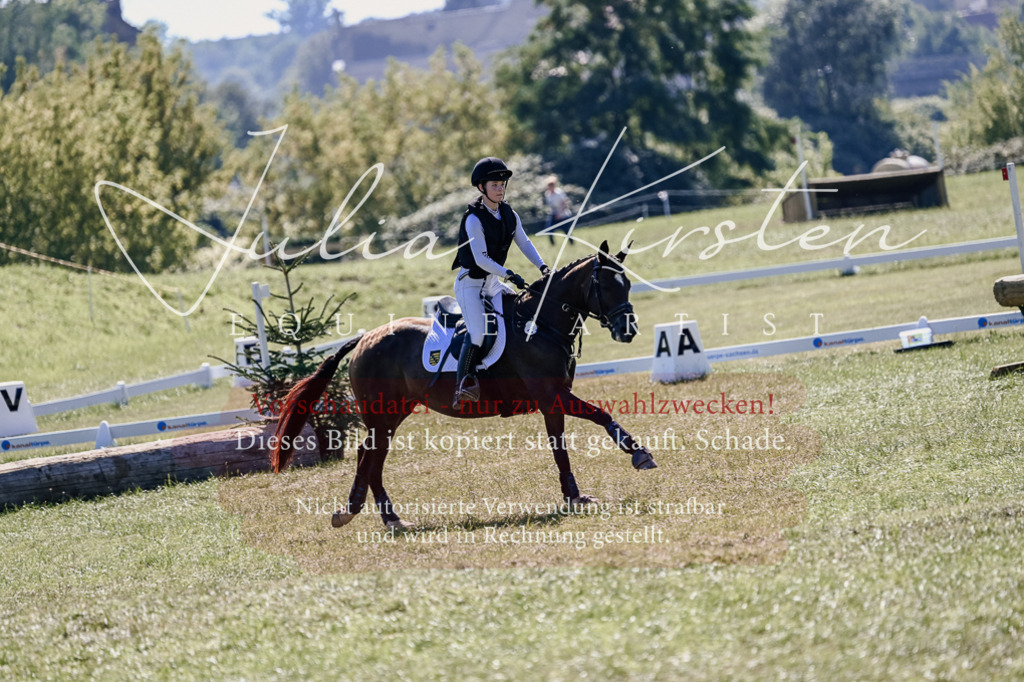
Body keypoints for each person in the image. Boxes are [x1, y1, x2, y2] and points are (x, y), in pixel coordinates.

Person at [451, 157, 550, 407]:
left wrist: (543, 267)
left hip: (492, 283)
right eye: (494, 184)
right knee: (477, 333)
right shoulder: (473, 219)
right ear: (481, 187)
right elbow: (481, 259)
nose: (500, 188)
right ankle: (464, 384)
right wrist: (509, 273)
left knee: (519, 313)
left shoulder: (508, 213)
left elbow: (525, 243)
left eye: (502, 184)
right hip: (470, 284)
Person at [542, 175, 572, 245]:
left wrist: (560, 214)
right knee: (549, 230)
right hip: (554, 214)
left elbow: (564, 204)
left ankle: (571, 243)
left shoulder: (559, 193)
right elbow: (550, 205)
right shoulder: (548, 194)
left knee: (566, 231)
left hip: (563, 214)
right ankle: (553, 245)